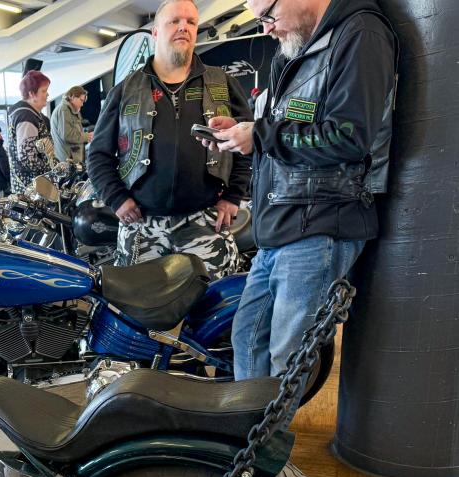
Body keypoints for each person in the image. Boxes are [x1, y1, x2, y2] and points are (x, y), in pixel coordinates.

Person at [207, 0, 397, 383]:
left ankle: (270, 426)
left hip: (319, 225)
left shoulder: (361, 33)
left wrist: (260, 135)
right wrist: (245, 131)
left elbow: (348, 138)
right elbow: (290, 128)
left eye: (267, 16)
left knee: (287, 361)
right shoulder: (299, 46)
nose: (265, 28)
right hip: (279, 227)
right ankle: (247, 424)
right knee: (246, 338)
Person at [87, 0, 251, 277]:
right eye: (174, 21)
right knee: (139, 303)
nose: (183, 27)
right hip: (142, 225)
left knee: (215, 300)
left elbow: (246, 145)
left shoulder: (222, 83)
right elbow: (97, 155)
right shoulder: (125, 90)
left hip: (207, 222)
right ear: (155, 32)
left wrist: (234, 196)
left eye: (191, 22)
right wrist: (116, 198)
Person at [7, 71, 53, 193]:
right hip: (31, 189)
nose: (47, 94)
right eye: (44, 91)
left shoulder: (29, 114)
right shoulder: (26, 116)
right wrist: (50, 170)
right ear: (32, 94)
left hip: (32, 186)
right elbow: (27, 158)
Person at [50, 86, 93, 164]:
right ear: (73, 97)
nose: (82, 104)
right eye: (81, 100)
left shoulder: (69, 110)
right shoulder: (64, 110)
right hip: (67, 161)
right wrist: (86, 136)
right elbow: (67, 135)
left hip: (70, 160)